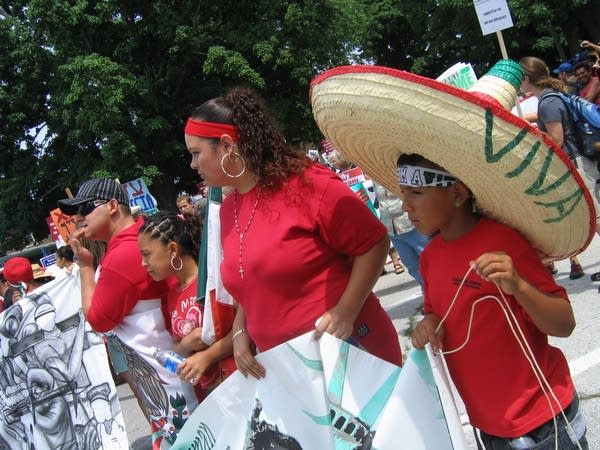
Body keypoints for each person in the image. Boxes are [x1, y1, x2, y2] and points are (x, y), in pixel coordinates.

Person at [310, 59, 591, 450]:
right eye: (403, 193)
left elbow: (563, 325)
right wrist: (428, 324)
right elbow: (441, 314)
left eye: (416, 194)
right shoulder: (429, 256)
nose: (406, 206)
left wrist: (518, 285)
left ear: (458, 194)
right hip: (488, 428)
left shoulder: (504, 242)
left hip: (544, 423)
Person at [183, 88, 402, 380]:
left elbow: (374, 243)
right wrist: (239, 335)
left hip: (348, 354)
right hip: (289, 371)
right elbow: (251, 287)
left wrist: (345, 312)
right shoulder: (228, 210)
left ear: (226, 146)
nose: (193, 165)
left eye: (196, 153)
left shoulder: (308, 184)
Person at [58, 178, 197, 448]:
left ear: (112, 206)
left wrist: (86, 267)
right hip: (173, 368)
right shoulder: (138, 237)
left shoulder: (123, 253)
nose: (79, 217)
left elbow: (98, 319)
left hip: (170, 378)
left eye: (85, 208)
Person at [138, 211, 234, 398]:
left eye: (146, 254)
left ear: (173, 249)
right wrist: (186, 344)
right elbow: (177, 345)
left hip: (237, 379)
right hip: (212, 393)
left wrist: (207, 356)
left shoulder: (212, 281)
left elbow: (243, 329)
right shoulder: (173, 294)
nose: (143, 263)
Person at [520, 56, 596, 280]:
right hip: (578, 160)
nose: (519, 85)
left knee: (595, 216)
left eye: (520, 80)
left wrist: (531, 134)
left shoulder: (547, 102)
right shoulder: (550, 97)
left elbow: (557, 139)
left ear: (527, 78)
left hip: (574, 163)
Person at [374, 182, 429, 285]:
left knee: (430, 260)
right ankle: (429, 293)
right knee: (413, 266)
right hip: (392, 229)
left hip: (411, 223)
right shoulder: (375, 179)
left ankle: (445, 291)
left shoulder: (398, 176)